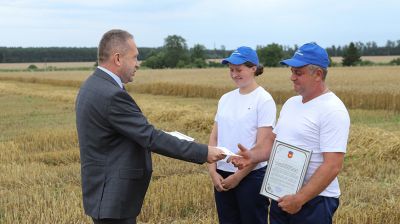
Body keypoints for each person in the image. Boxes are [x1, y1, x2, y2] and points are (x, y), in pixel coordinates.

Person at [75, 29, 226, 224]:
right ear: (118, 58)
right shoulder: (112, 95)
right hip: (113, 197)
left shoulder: (92, 85)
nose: (138, 64)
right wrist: (203, 152)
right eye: (135, 57)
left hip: (102, 193)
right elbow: (150, 137)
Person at [231, 42, 350, 224]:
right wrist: (252, 156)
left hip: (314, 201)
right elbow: (272, 143)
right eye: (292, 71)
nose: (292, 77)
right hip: (282, 196)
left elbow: (332, 165)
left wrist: (300, 198)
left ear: (318, 74)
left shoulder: (333, 110)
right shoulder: (291, 103)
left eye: (298, 72)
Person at [207, 46, 277, 224]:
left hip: (251, 176)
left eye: (239, 69)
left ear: (253, 68)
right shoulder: (225, 98)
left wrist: (238, 177)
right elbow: (214, 137)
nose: (234, 74)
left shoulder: (264, 100)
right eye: (231, 70)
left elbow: (263, 146)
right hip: (222, 173)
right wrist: (213, 172)